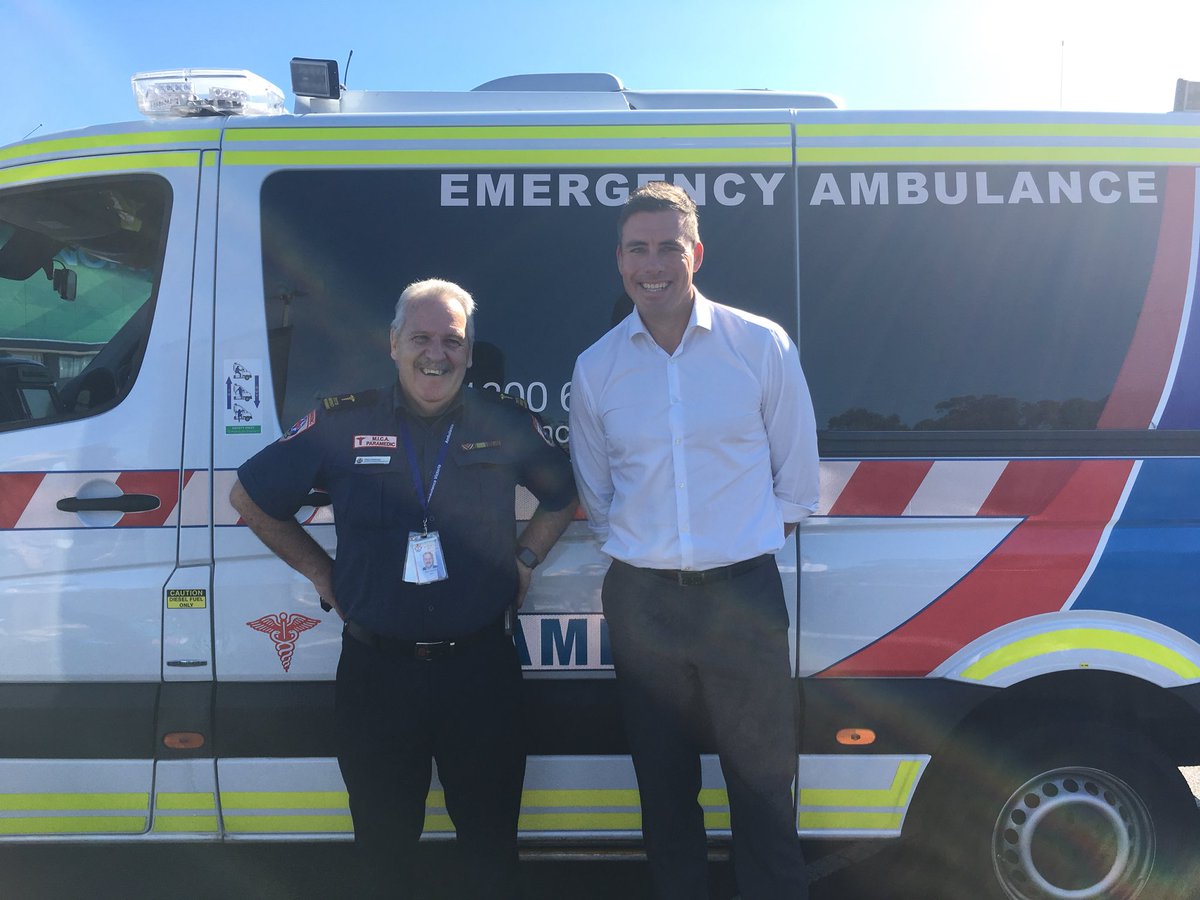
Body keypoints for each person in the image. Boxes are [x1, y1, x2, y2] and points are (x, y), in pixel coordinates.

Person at [231, 278, 578, 899]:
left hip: (481, 674)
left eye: (452, 340)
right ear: (393, 344)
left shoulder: (505, 422)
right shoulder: (341, 422)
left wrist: (525, 557)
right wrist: (320, 572)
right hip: (377, 676)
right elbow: (251, 499)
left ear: (470, 353)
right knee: (382, 856)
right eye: (420, 337)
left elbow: (562, 494)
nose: (436, 354)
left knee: (492, 852)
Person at [569, 182, 819, 900]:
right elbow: (598, 497)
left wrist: (725, 544)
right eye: (639, 249)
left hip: (742, 598)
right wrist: (661, 553)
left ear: (696, 253)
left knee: (765, 787)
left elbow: (796, 483)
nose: (654, 264)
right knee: (665, 791)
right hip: (643, 602)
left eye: (669, 247)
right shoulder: (597, 368)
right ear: (620, 260)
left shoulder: (758, 344)